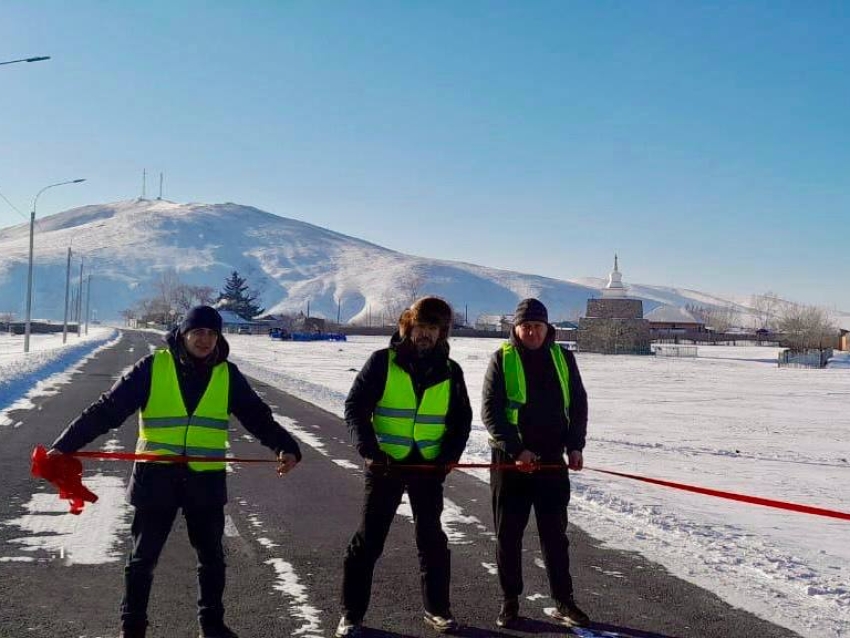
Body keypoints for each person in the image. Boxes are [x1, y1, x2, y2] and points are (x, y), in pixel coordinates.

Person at [48, 306, 302, 638]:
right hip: (156, 478)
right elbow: (107, 410)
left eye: (212, 333)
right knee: (143, 559)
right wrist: (64, 445)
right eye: (198, 332)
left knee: (212, 558)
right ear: (183, 333)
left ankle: (211, 625)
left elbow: (257, 416)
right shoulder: (153, 367)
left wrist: (285, 446)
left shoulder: (228, 374)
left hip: (204, 479)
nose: (205, 340)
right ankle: (132, 626)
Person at [336, 297, 472, 637]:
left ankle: (438, 610)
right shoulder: (383, 362)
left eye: (432, 328)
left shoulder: (452, 371)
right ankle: (351, 615)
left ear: (442, 333)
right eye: (420, 327)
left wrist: (449, 457)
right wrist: (368, 449)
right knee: (369, 541)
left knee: (432, 541)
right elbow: (355, 407)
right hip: (386, 465)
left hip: (428, 468)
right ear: (407, 327)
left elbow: (461, 420)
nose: (425, 334)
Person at [481, 298, 589, 629]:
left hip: (552, 463)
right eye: (526, 326)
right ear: (516, 328)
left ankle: (564, 601)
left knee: (555, 536)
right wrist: (516, 450)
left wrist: (575, 446)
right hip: (510, 463)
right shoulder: (502, 359)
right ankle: (510, 601)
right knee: (509, 535)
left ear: (547, 329)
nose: (532, 332)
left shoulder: (563, 358)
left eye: (537, 326)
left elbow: (579, 403)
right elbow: (491, 411)